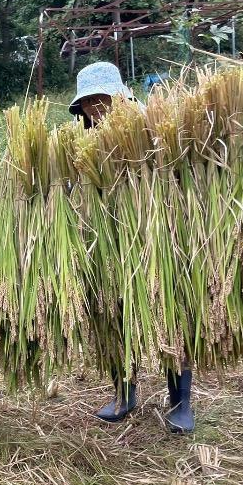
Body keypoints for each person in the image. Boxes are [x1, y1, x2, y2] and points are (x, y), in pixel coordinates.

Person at [69, 61, 195, 434]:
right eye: (88, 101)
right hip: (107, 239)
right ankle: (125, 395)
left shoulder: (149, 123)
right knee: (114, 316)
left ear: (119, 94)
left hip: (158, 232)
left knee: (171, 312)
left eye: (101, 97)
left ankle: (180, 402)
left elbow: (178, 168)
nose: (96, 106)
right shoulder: (81, 138)